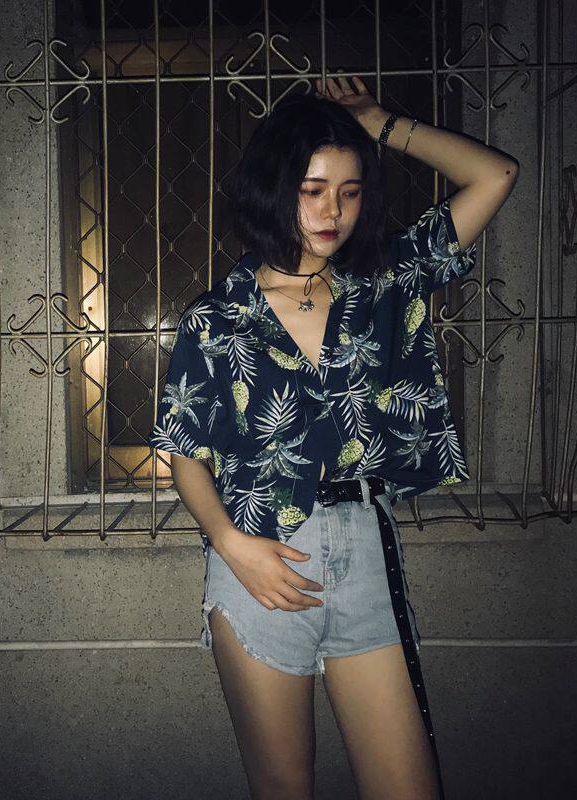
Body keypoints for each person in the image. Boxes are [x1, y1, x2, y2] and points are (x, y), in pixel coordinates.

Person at [149, 75, 518, 800]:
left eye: (349, 192)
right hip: (260, 558)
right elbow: (184, 453)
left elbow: (495, 176)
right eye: (313, 189)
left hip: (365, 553)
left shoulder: (385, 281)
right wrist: (232, 545)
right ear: (275, 189)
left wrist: (380, 124)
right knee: (285, 786)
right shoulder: (217, 317)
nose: (332, 212)